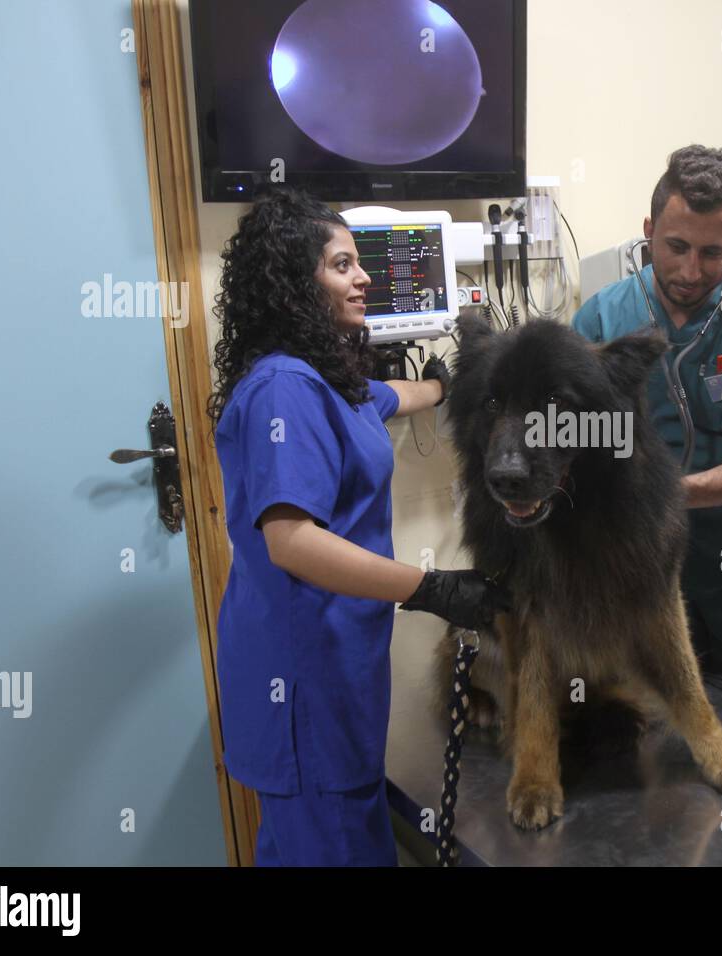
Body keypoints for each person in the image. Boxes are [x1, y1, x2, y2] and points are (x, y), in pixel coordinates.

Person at [207, 188, 509, 865]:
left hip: (339, 664)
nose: (364, 277)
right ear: (294, 283)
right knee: (335, 842)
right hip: (303, 673)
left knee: (320, 838)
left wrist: (444, 385)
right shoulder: (284, 389)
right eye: (342, 265)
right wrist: (431, 589)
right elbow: (292, 541)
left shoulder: (326, 378)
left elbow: (385, 398)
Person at [573, 146, 722, 689]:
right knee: (650, 726)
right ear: (648, 229)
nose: (690, 270)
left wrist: (658, 495)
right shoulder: (603, 318)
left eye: (713, 253)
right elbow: (577, 436)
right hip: (639, 563)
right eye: (675, 246)